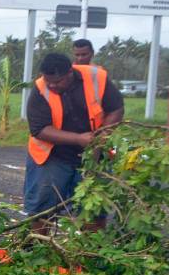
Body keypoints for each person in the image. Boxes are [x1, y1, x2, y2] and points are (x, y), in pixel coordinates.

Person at [25, 52, 124, 232]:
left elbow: (116, 108)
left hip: (93, 155)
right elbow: (39, 129)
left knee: (93, 208)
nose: (52, 86)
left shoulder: (97, 78)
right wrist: (79, 139)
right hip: (53, 156)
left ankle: (90, 252)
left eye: (58, 81)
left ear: (70, 73)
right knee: (42, 207)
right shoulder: (40, 89)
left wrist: (102, 136)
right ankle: (34, 248)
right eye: (49, 81)